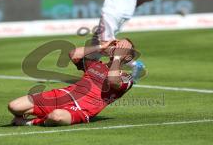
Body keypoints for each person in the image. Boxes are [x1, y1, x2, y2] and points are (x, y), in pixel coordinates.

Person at [8, 39, 146, 126]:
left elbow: (113, 80)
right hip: (64, 95)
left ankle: (30, 122)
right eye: (116, 45)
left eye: (121, 48)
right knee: (14, 106)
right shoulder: (96, 64)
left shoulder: (127, 78)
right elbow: (74, 54)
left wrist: (117, 57)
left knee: (56, 117)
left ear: (127, 57)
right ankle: (40, 116)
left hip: (81, 109)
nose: (116, 48)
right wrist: (102, 46)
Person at [91, 0, 161, 66]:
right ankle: (92, 70)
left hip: (112, 10)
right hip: (127, 11)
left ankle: (134, 65)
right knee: (95, 41)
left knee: (103, 44)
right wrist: (139, 1)